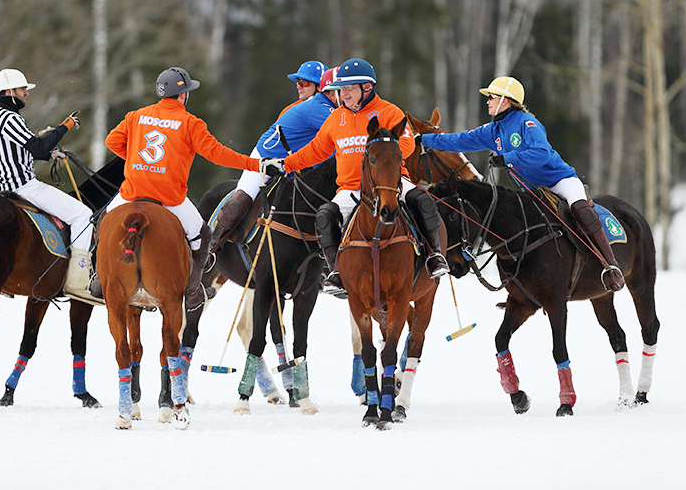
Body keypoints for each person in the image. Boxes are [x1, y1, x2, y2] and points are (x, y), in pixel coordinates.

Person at [417, 76, 624, 292]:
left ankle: (611, 266)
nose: (487, 101)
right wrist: (424, 140)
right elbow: (459, 140)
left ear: (505, 100)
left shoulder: (527, 123)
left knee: (580, 210)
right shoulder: (493, 130)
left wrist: (508, 158)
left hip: (559, 181)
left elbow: (541, 153)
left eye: (491, 97)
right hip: (532, 192)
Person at [262, 58, 449, 289]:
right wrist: (284, 165)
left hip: (391, 184)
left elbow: (408, 144)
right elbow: (314, 152)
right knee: (324, 217)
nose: (343, 94)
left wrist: (383, 152)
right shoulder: (336, 119)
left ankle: (434, 256)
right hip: (350, 188)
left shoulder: (389, 112)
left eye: (348, 88)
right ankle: (337, 271)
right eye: (340, 89)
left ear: (367, 87)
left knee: (424, 201)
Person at [103, 66, 275, 311]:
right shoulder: (190, 122)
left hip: (131, 192)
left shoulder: (135, 116)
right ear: (182, 95)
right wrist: (256, 163)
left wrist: (135, 160)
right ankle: (194, 290)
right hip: (169, 198)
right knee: (203, 235)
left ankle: (99, 279)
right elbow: (218, 154)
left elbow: (112, 141)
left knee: (102, 223)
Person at [0, 68, 103, 306]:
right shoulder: (10, 117)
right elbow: (36, 147)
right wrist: (64, 126)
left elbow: (20, 150)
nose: (26, 93)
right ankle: (78, 281)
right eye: (22, 89)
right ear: (9, 91)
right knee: (83, 214)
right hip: (23, 188)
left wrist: (51, 154)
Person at [212, 66, 339, 245]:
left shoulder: (324, 108)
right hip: (265, 160)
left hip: (293, 167)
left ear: (321, 86)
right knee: (238, 204)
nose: (299, 86)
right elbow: (342, 138)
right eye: (298, 83)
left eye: (304, 83)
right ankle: (210, 250)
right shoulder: (317, 108)